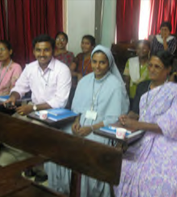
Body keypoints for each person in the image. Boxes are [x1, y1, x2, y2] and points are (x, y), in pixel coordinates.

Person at [45, 45, 130, 197]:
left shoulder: (115, 86)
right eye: (94, 62)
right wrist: (76, 121)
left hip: (102, 128)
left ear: (108, 63)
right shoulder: (84, 81)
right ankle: (62, 186)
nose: (97, 66)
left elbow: (114, 118)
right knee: (59, 140)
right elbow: (77, 109)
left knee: (87, 147)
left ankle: (82, 192)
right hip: (81, 122)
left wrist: (91, 128)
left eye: (102, 62)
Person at [114, 51, 177, 197]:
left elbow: (171, 124)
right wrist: (126, 118)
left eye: (157, 67)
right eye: (150, 66)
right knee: (123, 168)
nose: (152, 70)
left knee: (168, 181)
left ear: (168, 70)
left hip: (172, 142)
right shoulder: (143, 88)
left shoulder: (175, 91)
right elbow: (139, 113)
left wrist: (138, 124)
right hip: (145, 139)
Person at [0, 34, 71, 167]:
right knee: (9, 126)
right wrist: (13, 97)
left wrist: (33, 108)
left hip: (54, 114)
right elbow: (19, 87)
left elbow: (60, 102)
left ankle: (30, 164)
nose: (42, 54)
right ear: (33, 51)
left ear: (52, 51)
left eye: (46, 50)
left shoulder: (62, 70)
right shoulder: (30, 67)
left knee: (31, 133)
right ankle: (25, 160)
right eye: (38, 50)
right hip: (32, 109)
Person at [0, 40, 22, 161]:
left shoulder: (16, 67)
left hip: (4, 103)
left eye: (2, 49)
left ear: (10, 51)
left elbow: (15, 90)